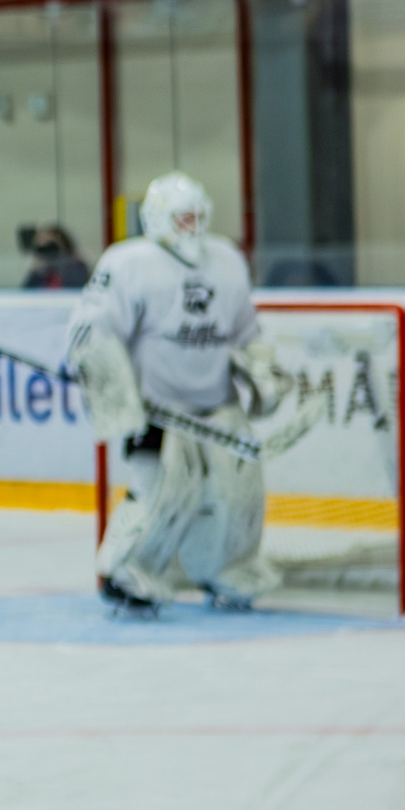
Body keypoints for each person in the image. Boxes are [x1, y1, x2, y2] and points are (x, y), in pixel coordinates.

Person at [67, 172, 283, 616]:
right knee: (162, 494)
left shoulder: (226, 260)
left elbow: (244, 331)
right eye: (183, 218)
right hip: (159, 410)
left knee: (239, 494)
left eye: (199, 217)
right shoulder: (127, 263)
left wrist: (261, 372)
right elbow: (91, 331)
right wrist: (116, 397)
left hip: (219, 405)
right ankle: (127, 572)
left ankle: (230, 569)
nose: (193, 227)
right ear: (157, 219)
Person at [21, 224, 90, 290]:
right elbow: (27, 291)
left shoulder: (76, 265)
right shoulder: (39, 270)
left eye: (50, 245)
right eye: (41, 247)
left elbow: (77, 287)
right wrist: (36, 271)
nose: (49, 253)